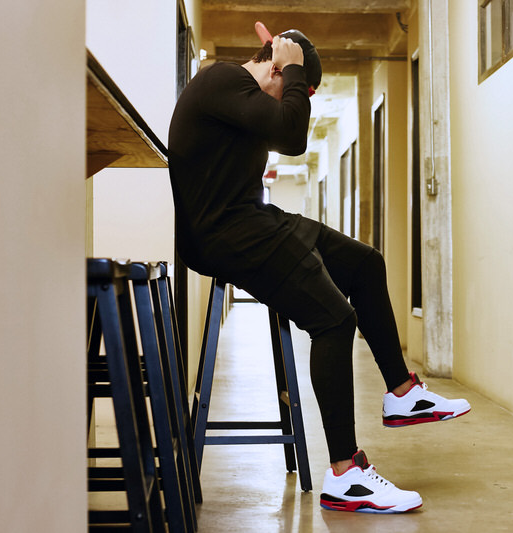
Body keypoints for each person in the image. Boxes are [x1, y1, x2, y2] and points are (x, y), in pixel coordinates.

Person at [167, 25, 470, 514]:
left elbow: (283, 129)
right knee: (333, 320)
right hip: (223, 234)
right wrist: (292, 70)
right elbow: (291, 137)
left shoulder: (243, 93)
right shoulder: (222, 80)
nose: (288, 98)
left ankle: (401, 393)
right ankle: (346, 475)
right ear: (272, 66)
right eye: (288, 84)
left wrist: (290, 75)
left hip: (252, 219)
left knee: (365, 264)